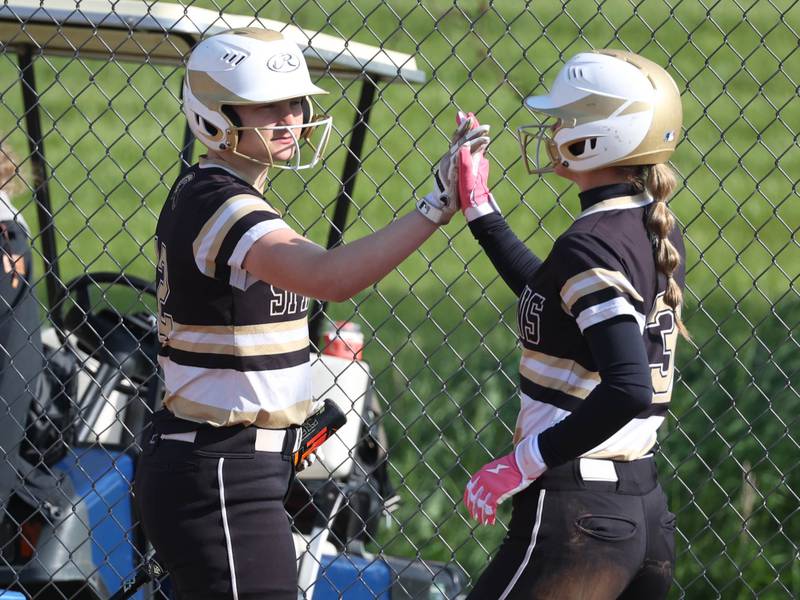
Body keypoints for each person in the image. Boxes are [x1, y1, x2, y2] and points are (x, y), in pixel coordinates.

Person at [133, 28, 486, 600]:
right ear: (215, 115)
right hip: (219, 468)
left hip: (233, 466)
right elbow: (330, 277)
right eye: (269, 103)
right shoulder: (218, 202)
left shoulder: (228, 196)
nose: (292, 116)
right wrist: (435, 208)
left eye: (296, 101)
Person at [457, 49, 687, 599]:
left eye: (565, 120)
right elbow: (557, 298)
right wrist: (479, 209)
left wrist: (521, 462)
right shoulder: (646, 225)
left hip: (580, 517)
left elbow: (628, 387)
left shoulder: (590, 243)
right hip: (641, 508)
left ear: (599, 137)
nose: (554, 130)